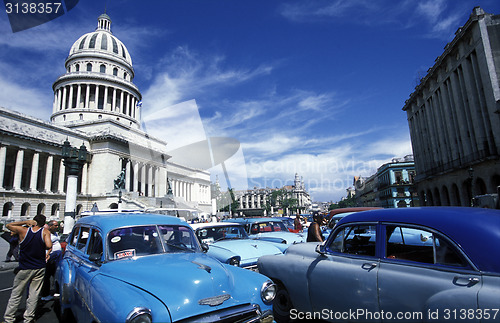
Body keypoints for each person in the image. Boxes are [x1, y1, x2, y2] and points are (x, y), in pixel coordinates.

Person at [3, 214, 52, 323]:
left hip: (25, 267)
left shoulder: (23, 231)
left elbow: (9, 225)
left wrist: (25, 222)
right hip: (39, 267)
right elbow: (48, 245)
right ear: (44, 223)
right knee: (34, 294)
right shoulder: (45, 232)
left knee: (16, 294)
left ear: (33, 221)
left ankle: (9, 318)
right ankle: (29, 318)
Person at [40, 220, 62, 301]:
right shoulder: (46, 234)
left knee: (57, 274)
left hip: (57, 256)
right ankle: (45, 294)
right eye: (55, 225)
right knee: (47, 275)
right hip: (51, 256)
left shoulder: (55, 233)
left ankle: (57, 290)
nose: (57, 227)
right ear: (50, 226)